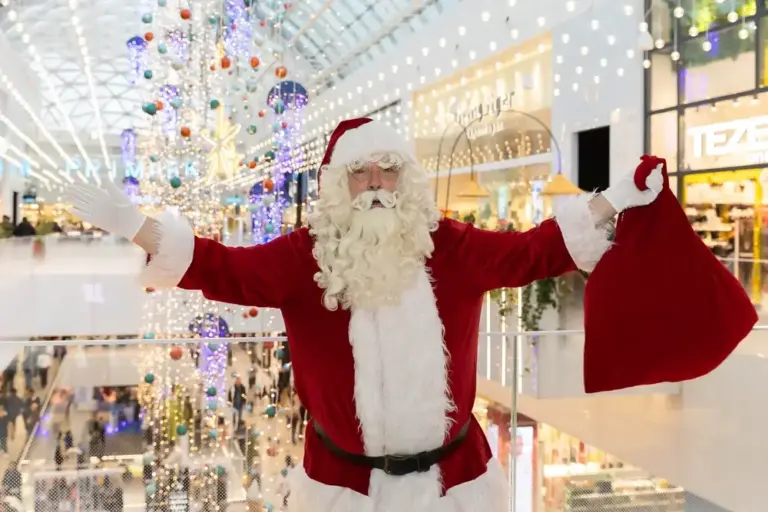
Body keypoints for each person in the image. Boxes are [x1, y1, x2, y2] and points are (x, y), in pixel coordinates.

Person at [66, 118, 663, 511]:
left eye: (389, 169)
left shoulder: (450, 247)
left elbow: (537, 252)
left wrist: (616, 197)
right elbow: (227, 270)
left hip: (454, 487)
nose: (377, 185)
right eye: (361, 172)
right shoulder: (306, 258)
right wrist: (138, 227)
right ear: (337, 183)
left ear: (407, 177)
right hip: (344, 489)